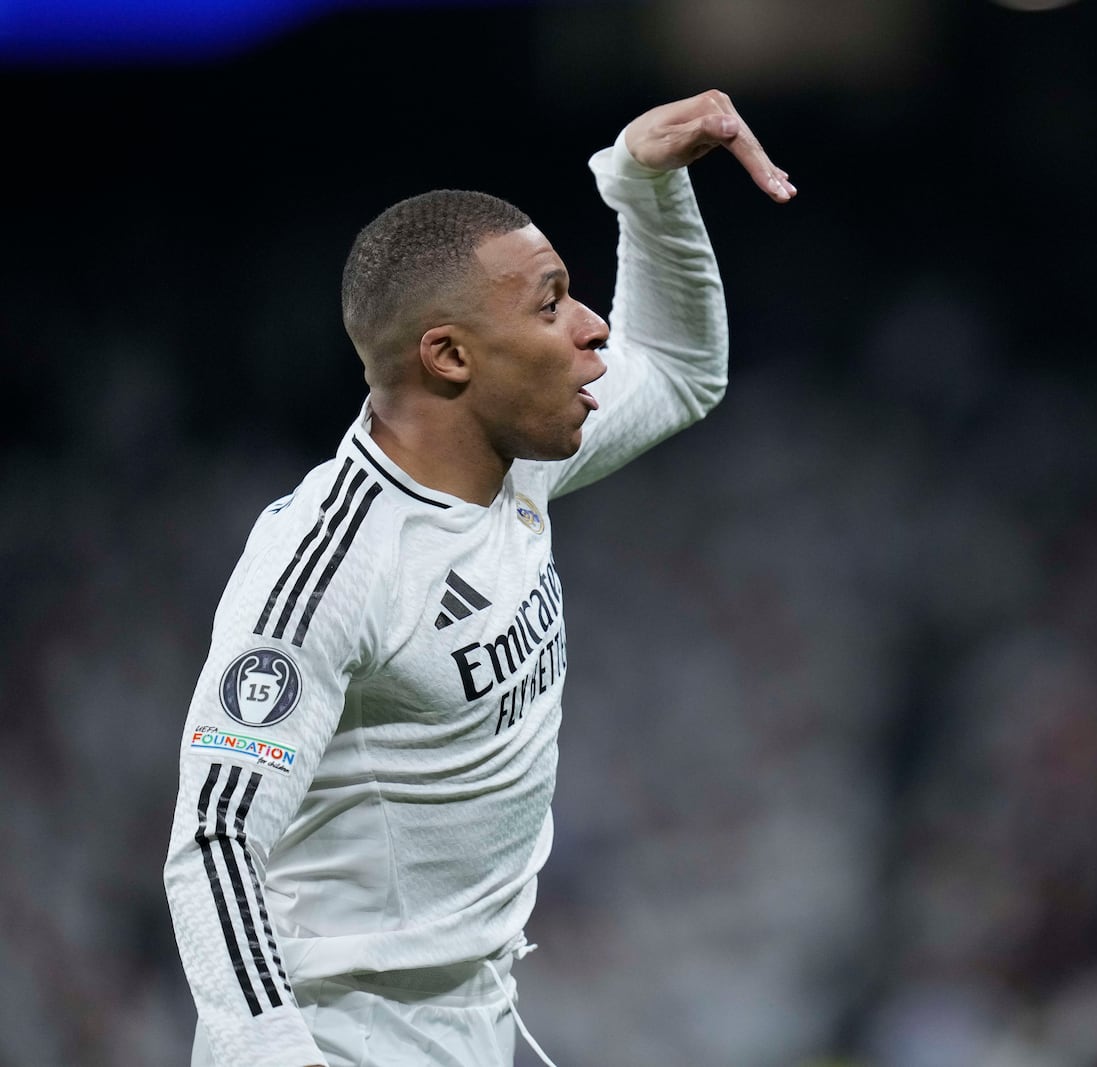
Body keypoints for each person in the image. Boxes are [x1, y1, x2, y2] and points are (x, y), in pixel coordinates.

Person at [162, 89, 795, 1067]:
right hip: (344, 1035)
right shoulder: (330, 566)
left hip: (473, 1013)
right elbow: (214, 838)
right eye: (549, 304)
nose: (590, 327)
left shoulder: (520, 457)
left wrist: (642, 184)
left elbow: (676, 370)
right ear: (450, 356)